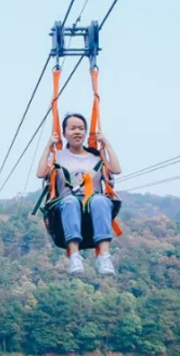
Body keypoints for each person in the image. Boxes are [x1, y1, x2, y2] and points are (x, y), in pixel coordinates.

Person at [36, 113, 121, 275]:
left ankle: (104, 256)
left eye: (81, 129)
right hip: (66, 204)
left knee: (100, 201)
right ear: (65, 133)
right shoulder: (57, 156)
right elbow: (41, 173)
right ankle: (74, 255)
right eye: (72, 128)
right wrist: (48, 147)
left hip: (93, 203)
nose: (77, 132)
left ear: (86, 132)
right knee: (70, 201)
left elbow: (116, 170)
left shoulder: (96, 157)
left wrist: (105, 143)